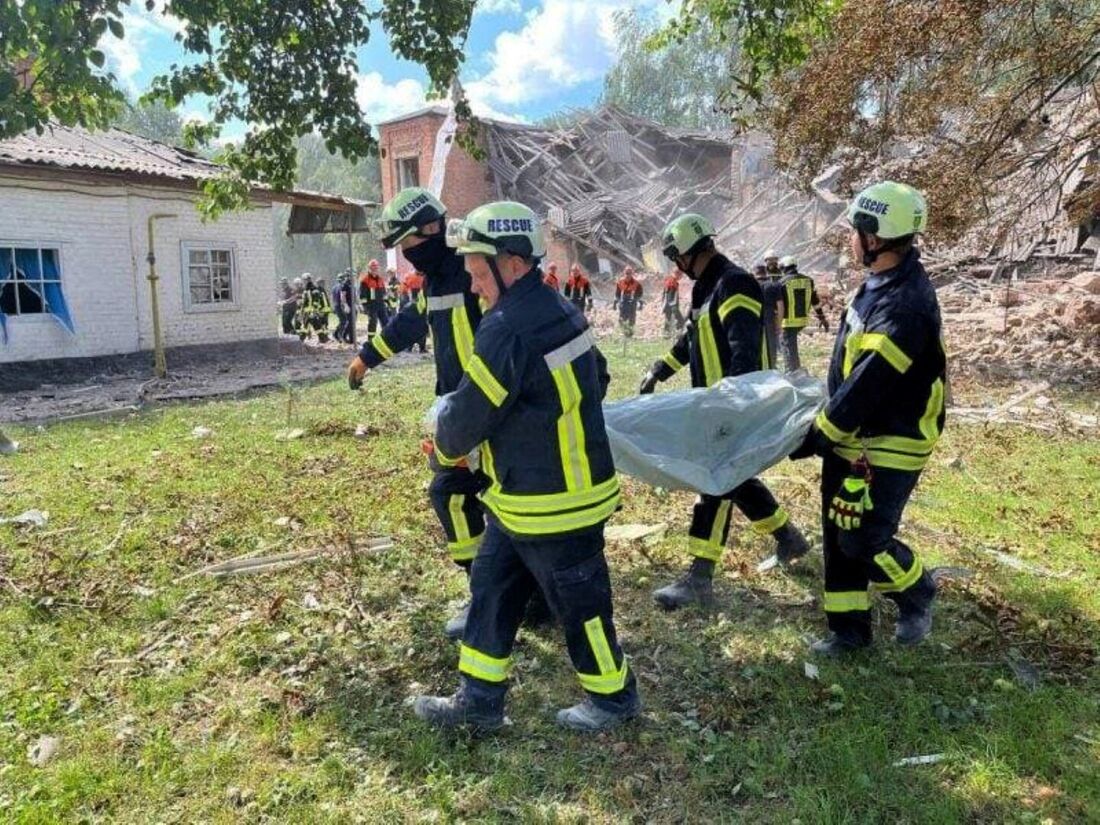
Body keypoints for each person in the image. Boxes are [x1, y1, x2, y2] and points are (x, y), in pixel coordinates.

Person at [411, 200, 640, 733]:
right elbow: (598, 380)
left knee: (580, 606)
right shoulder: (561, 308)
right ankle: (478, 702)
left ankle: (614, 700)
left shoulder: (505, 328)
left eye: (476, 272)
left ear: (510, 261)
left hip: (553, 503)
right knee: (490, 586)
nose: (472, 286)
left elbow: (466, 419)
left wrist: (446, 449)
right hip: (524, 497)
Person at [790, 182, 943, 656]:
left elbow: (869, 384)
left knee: (865, 539)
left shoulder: (905, 306)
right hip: (854, 436)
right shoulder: (881, 283)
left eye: (856, 230)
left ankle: (917, 591)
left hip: (892, 439)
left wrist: (818, 435)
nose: (850, 239)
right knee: (839, 533)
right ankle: (848, 632)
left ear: (875, 236)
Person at [638, 214, 809, 608]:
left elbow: (744, 347)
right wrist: (659, 370)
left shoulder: (734, 282)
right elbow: (690, 340)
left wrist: (733, 405)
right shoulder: (705, 289)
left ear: (685, 252)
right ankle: (789, 538)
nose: (675, 267)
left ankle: (699, 576)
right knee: (734, 478)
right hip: (718, 403)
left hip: (733, 404)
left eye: (674, 257)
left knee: (714, 481)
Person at [345, 188, 490, 638]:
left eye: (408, 245)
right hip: (462, 413)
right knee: (452, 494)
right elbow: (411, 321)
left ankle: (500, 595)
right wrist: (367, 356)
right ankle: (490, 590)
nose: (407, 257)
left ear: (430, 230)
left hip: (491, 412)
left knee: (481, 499)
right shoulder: (437, 280)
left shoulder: (473, 271)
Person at [776, 255, 829, 371]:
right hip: (802, 321)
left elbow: (779, 305)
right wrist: (822, 318)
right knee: (791, 348)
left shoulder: (781, 283)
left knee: (788, 349)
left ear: (784, 268)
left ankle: (792, 373)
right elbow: (815, 301)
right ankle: (796, 370)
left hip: (788, 322)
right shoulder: (808, 281)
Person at [757, 254, 782, 369]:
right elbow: (780, 305)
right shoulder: (774, 285)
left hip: (755, 318)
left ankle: (761, 368)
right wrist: (779, 323)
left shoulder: (750, 285)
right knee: (771, 345)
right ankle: (772, 367)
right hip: (770, 318)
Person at [359, 260, 389, 338]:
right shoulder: (365, 280)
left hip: (381, 305)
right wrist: (365, 307)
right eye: (373, 268)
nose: (375, 270)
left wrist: (386, 303)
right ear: (369, 269)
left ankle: (386, 339)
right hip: (371, 306)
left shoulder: (380, 279)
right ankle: (371, 340)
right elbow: (362, 296)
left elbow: (384, 293)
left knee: (386, 322)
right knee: (373, 323)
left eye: (376, 268)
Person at [400, 270, 429, 353]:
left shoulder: (412, 276)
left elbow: (403, 290)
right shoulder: (414, 276)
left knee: (418, 326)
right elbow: (403, 290)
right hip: (418, 304)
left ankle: (418, 347)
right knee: (420, 326)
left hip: (418, 304)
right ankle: (417, 347)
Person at [298, 274, 330, 343]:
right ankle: (323, 339)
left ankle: (301, 340)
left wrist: (314, 311)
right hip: (308, 312)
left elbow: (316, 301)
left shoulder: (313, 289)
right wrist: (301, 311)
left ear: (307, 280)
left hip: (310, 312)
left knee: (305, 327)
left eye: (304, 280)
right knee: (317, 326)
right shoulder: (307, 289)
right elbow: (304, 302)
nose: (303, 282)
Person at [613, 266, 644, 336]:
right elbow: (617, 294)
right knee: (621, 320)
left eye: (629, 273)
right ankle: (624, 333)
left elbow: (640, 294)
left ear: (632, 274)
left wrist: (638, 301)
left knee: (632, 320)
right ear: (624, 273)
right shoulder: (620, 282)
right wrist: (615, 303)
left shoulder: (637, 283)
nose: (627, 275)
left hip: (632, 304)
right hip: (623, 304)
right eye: (626, 273)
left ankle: (630, 335)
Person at [661, 268, 686, 335]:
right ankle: (677, 332)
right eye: (681, 275)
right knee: (681, 320)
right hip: (671, 305)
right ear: (677, 274)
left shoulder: (670, 280)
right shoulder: (672, 282)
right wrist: (674, 307)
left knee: (668, 319)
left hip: (668, 304)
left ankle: (666, 334)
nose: (681, 277)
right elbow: (670, 296)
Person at [331, 272, 352, 344]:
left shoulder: (334, 287)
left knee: (343, 321)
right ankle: (337, 335)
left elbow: (333, 298)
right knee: (344, 321)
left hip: (336, 306)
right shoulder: (342, 286)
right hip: (340, 306)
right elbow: (342, 297)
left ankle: (337, 335)